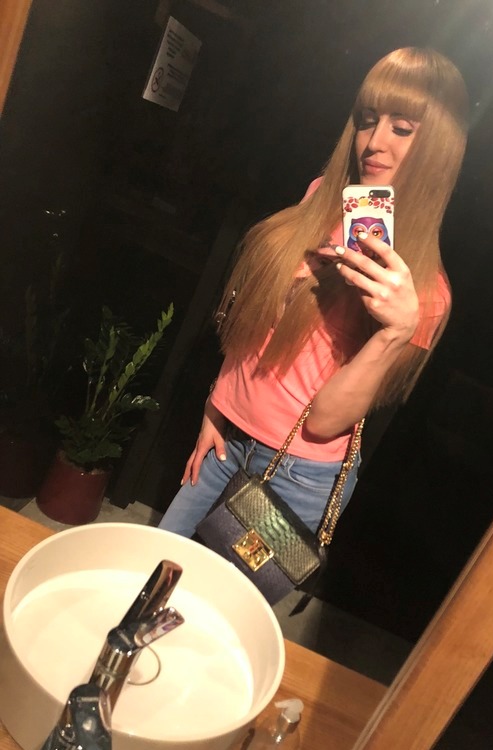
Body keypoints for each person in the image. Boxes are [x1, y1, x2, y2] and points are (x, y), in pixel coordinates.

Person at [159, 47, 469, 538]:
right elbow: (256, 321)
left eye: (402, 128)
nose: (374, 143)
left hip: (297, 474)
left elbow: (324, 423)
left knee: (220, 589)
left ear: (440, 148)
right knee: (160, 568)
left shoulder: (426, 293)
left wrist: (395, 332)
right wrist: (216, 407)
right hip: (227, 437)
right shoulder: (321, 197)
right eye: (368, 120)